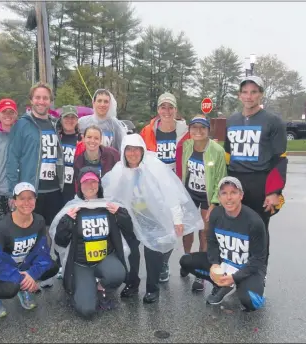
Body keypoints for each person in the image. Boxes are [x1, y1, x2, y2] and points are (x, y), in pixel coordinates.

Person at [102, 134, 203, 303]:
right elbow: (109, 193)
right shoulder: (119, 169)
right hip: (129, 217)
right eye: (129, 149)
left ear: (142, 150)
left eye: (136, 149)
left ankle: (152, 288)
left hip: (152, 215)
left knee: (153, 252)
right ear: (123, 151)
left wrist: (177, 219)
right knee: (131, 252)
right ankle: (132, 283)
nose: (132, 153)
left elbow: (171, 192)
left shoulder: (154, 166)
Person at [50, 167, 131, 318]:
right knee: (86, 310)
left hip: (104, 259)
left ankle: (101, 287)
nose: (89, 185)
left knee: (118, 274)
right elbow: (59, 242)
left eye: (93, 181)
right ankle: (85, 287)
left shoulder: (108, 206)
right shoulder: (72, 207)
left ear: (99, 184)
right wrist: (65, 224)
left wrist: (121, 215)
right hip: (81, 264)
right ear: (79, 186)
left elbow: (129, 230)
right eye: (85, 182)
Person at [224, 76, 287, 267]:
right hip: (235, 181)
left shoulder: (273, 121)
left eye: (253, 92)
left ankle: (259, 274)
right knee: (234, 230)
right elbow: (227, 155)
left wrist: (274, 192)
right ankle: (235, 270)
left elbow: (280, 158)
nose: (249, 96)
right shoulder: (232, 120)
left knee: (258, 230)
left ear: (261, 94)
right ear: (239, 95)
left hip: (260, 182)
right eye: (244, 92)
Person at [179, 176, 268, 311]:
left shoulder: (254, 222)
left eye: (233, 192)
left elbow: (258, 259)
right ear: (219, 197)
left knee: (252, 302)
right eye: (224, 193)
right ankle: (221, 285)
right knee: (186, 260)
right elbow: (212, 241)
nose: (229, 198)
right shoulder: (216, 214)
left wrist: (235, 277)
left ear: (241, 195)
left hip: (246, 269)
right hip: (224, 263)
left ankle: (245, 284)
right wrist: (215, 264)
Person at [0, 182, 59, 316]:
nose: (26, 202)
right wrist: (22, 278)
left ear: (35, 200)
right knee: (9, 289)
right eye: (22, 198)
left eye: (30, 198)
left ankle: (24, 288)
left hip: (25, 266)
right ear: (14, 201)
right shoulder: (3, 226)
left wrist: (31, 274)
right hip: (5, 269)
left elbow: (43, 252)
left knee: (52, 266)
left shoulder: (39, 221)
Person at [140, 92, 189, 283]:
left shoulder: (185, 131)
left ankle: (164, 263)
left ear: (176, 110)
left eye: (170, 107)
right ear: (158, 110)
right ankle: (155, 263)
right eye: (163, 107)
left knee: (171, 228)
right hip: (153, 187)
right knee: (154, 227)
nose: (167, 111)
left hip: (175, 187)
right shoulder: (148, 131)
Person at [175, 115, 227, 291]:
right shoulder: (186, 146)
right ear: (189, 130)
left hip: (207, 196)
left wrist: (214, 203)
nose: (198, 131)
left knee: (205, 231)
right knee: (188, 228)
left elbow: (221, 178)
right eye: (194, 127)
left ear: (208, 130)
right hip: (189, 193)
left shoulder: (217, 151)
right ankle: (187, 260)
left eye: (202, 128)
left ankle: (200, 272)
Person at [6, 82, 64, 228]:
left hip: (54, 190)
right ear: (31, 100)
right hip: (31, 191)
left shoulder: (55, 125)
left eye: (45, 98)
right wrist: (13, 191)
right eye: (37, 97)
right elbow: (12, 159)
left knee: (51, 232)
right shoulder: (22, 125)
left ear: (50, 101)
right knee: (28, 232)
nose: (41, 101)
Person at [57, 105, 81, 204]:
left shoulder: (81, 140)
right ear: (61, 119)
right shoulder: (55, 138)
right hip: (55, 189)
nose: (69, 120)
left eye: (73, 117)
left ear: (77, 120)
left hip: (73, 189)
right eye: (66, 117)